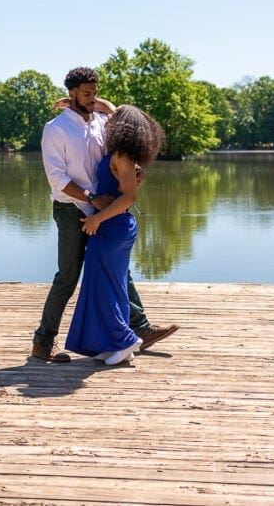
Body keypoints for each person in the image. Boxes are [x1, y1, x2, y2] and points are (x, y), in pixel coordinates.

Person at [31, 67, 178, 363]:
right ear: (72, 92)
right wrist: (90, 198)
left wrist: (135, 174)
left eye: (94, 92)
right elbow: (57, 177)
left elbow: (123, 124)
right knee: (69, 276)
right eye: (86, 93)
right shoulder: (56, 128)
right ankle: (43, 343)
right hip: (72, 209)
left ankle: (140, 330)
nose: (92, 98)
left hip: (106, 210)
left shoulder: (102, 124)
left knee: (117, 270)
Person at [65, 105, 164, 364]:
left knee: (110, 286)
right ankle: (110, 342)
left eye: (113, 120)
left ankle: (126, 340)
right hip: (110, 227)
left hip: (115, 227)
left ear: (121, 126)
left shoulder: (124, 156)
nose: (107, 121)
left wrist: (97, 217)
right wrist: (74, 101)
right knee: (102, 285)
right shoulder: (117, 151)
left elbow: (129, 197)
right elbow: (110, 107)